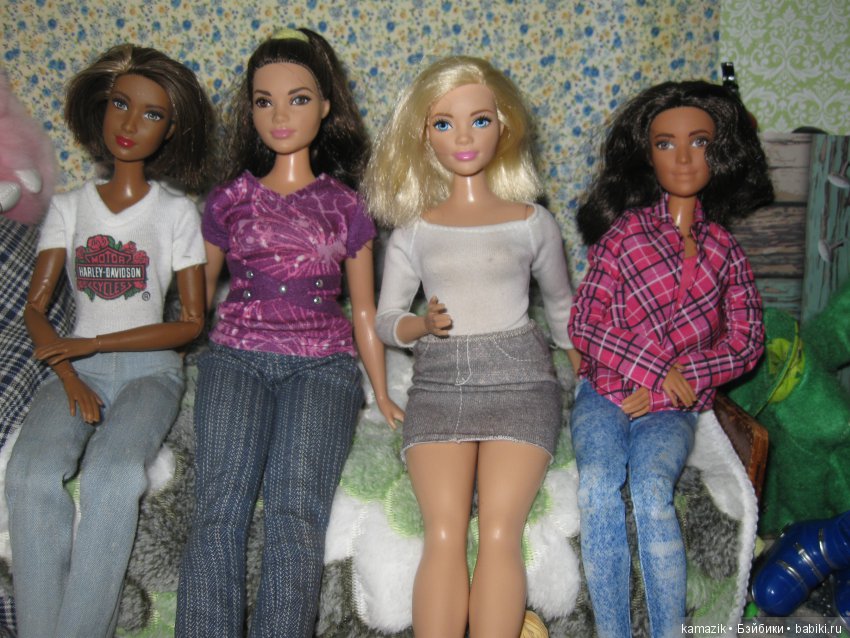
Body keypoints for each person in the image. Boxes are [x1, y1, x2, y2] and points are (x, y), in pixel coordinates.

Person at [176, 28, 402, 637]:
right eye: (264, 101)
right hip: (235, 357)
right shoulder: (228, 200)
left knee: (296, 515)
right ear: (250, 111)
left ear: (325, 106)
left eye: (298, 99)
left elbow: (363, 310)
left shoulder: (346, 206)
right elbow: (196, 301)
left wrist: (382, 391)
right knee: (218, 510)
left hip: (322, 365)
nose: (280, 115)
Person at [363, 55, 579, 638]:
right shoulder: (414, 231)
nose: (462, 137)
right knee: (444, 530)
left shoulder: (533, 223)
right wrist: (420, 327)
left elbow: (561, 306)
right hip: (440, 386)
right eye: (443, 123)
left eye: (479, 120)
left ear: (503, 126)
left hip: (521, 381)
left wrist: (586, 372)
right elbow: (386, 320)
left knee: (501, 530)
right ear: (422, 135)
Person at [5, 44, 214, 638]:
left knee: (114, 474)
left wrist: (93, 346)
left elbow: (191, 322)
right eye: (121, 104)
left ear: (171, 131)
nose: (130, 123)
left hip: (150, 369)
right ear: (100, 107)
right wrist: (69, 371)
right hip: (75, 368)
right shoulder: (69, 208)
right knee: (29, 474)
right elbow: (36, 308)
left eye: (152, 114)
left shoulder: (177, 213)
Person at [568, 80, 774, 638]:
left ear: (721, 152)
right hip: (606, 391)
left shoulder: (726, 253)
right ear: (647, 154)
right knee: (598, 482)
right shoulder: (624, 235)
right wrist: (654, 369)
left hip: (673, 408)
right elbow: (586, 322)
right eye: (665, 143)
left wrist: (677, 382)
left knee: (651, 487)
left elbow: (746, 342)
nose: (683, 158)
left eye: (699, 142)